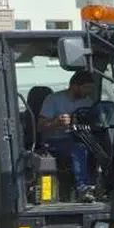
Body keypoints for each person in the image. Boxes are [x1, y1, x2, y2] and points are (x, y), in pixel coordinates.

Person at [38, 70, 98, 201]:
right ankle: (83, 188)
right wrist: (56, 123)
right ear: (75, 86)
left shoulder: (87, 102)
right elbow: (40, 125)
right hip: (55, 141)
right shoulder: (53, 100)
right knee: (78, 148)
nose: (89, 92)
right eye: (87, 88)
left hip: (81, 138)